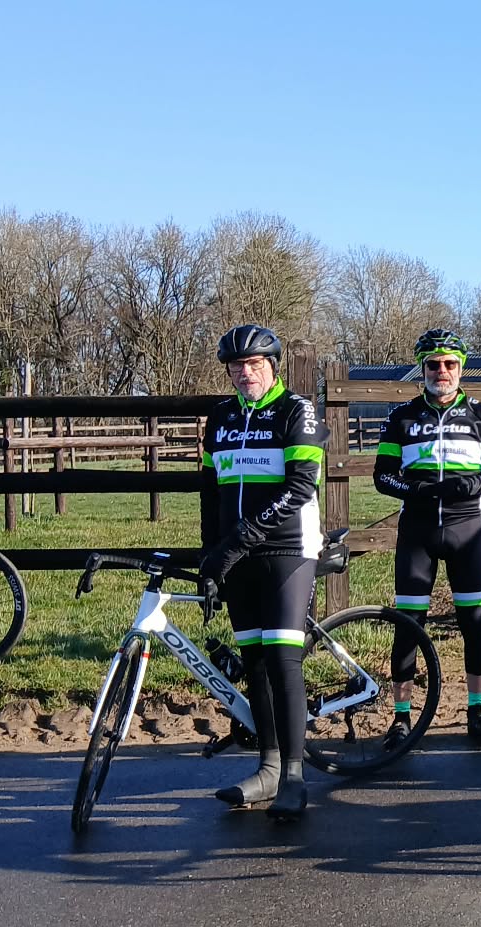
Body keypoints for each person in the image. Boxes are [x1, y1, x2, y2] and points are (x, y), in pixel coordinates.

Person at [200, 324, 326, 821]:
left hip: (287, 548)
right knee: (253, 660)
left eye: (254, 364)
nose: (245, 373)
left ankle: (294, 775)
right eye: (237, 366)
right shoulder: (221, 416)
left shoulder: (296, 410)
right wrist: (212, 556)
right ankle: (269, 768)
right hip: (237, 555)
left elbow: (300, 486)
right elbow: (211, 491)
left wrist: (236, 542)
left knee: (281, 658)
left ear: (272, 366)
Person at [373, 329, 481, 744]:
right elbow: (382, 476)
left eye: (450, 364)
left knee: (474, 622)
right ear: (422, 368)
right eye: (433, 364)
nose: (442, 371)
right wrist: (414, 489)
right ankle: (401, 717)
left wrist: (473, 485)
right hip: (417, 531)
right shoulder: (401, 417)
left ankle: (476, 710)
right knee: (408, 625)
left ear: (461, 368)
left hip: (467, 529)